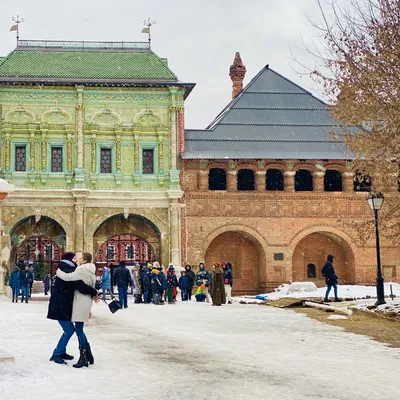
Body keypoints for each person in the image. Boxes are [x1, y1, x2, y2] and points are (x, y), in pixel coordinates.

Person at [48, 252, 98, 366]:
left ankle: (66, 352)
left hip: (65, 305)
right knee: (70, 330)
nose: (76, 259)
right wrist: (94, 292)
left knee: (73, 330)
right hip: (61, 306)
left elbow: (79, 284)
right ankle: (57, 353)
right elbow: (79, 285)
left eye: (78, 257)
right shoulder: (68, 269)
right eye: (74, 257)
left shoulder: (71, 269)